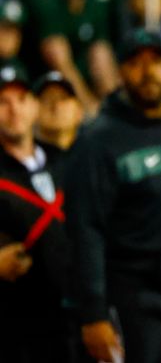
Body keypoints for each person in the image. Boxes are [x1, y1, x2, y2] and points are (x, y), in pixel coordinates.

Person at [66, 30, 161, 363]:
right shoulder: (98, 142)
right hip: (133, 311)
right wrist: (93, 315)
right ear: (121, 72)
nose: (148, 71)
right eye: (136, 63)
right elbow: (85, 232)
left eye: (156, 61)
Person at [0, 63, 77, 362]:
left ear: (34, 107)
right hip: (14, 327)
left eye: (21, 100)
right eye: (4, 102)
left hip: (71, 322)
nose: (14, 110)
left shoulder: (66, 162)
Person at [22, 0, 119, 113]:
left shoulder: (95, 0)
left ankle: (118, 110)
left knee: (100, 54)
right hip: (43, 79)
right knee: (60, 53)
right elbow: (57, 59)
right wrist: (90, 107)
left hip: (84, 72)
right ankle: (95, 115)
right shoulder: (46, 0)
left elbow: (101, 50)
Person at [33, 71, 83, 150]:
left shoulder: (95, 153)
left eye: (63, 98)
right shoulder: (26, 159)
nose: (56, 106)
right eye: (47, 99)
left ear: (79, 111)